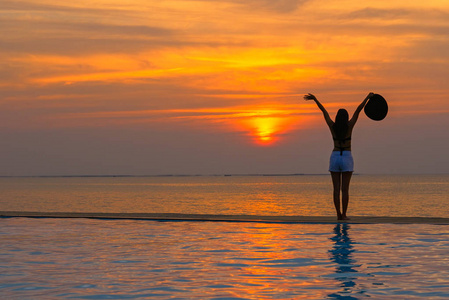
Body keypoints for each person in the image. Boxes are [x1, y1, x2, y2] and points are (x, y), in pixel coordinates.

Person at [304, 92, 374, 220]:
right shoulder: (349, 126)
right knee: (345, 190)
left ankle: (338, 214)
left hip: (335, 156)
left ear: (337, 117)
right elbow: (358, 110)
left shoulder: (332, 126)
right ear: (346, 117)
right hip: (346, 156)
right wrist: (367, 98)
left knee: (336, 189)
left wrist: (315, 99)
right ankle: (344, 214)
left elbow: (323, 112)